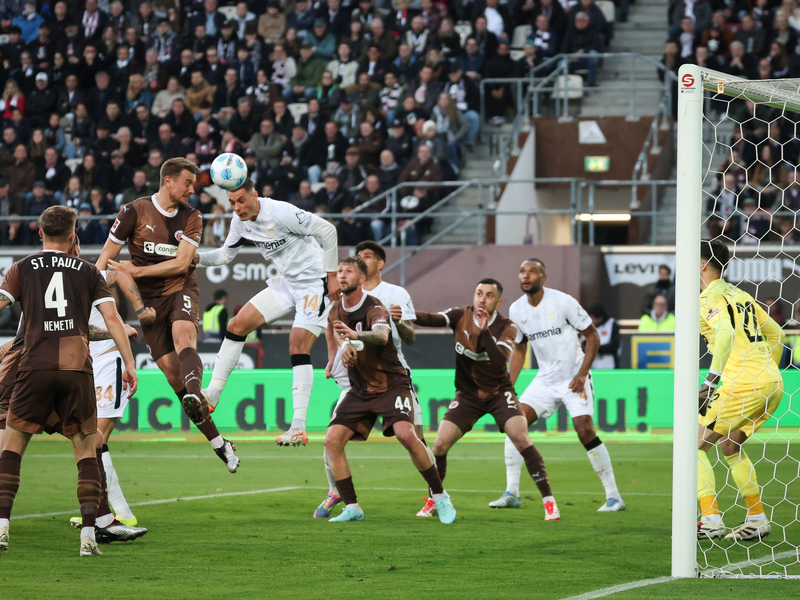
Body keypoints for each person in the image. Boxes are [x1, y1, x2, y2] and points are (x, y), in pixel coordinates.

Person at [0, 205, 136, 556]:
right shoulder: (89, 271)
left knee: (12, 448)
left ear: (40, 233)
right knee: (85, 450)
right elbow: (114, 319)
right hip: (76, 370)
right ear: (74, 236)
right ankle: (89, 536)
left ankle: (1, 528)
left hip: (34, 368)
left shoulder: (21, 267)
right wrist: (131, 365)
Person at [97, 157, 239, 473]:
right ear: (168, 181)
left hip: (180, 289)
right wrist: (92, 293)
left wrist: (137, 269)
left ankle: (194, 393)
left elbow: (181, 263)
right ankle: (220, 444)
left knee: (183, 335)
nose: (193, 189)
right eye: (188, 182)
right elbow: (106, 259)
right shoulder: (133, 211)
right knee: (173, 375)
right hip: (147, 304)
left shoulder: (192, 216)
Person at [197, 179, 339, 447]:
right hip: (287, 284)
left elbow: (328, 230)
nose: (236, 208)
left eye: (241, 201)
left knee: (297, 344)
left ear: (255, 195)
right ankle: (213, 394)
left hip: (315, 283)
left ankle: (298, 426)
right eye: (231, 203)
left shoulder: (281, 212)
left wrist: (332, 276)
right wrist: (194, 258)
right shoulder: (240, 222)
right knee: (237, 325)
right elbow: (225, 256)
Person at [322, 256, 455, 524]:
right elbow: (332, 328)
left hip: (390, 384)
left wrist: (355, 337)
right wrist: (336, 352)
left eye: (348, 271)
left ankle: (440, 497)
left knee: (406, 435)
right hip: (359, 387)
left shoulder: (374, 306)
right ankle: (352, 507)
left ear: (361, 279)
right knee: (331, 440)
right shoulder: (335, 308)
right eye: (339, 272)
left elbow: (382, 336)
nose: (342, 276)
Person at [415, 278, 560, 521]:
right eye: (479, 293)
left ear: (498, 301)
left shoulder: (507, 327)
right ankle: (436, 498)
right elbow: (431, 318)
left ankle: (549, 502)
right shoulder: (460, 315)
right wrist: (404, 313)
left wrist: (483, 334)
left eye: (489, 295)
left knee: (521, 438)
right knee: (439, 445)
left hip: (498, 394)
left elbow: (498, 359)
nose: (483, 299)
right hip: (468, 395)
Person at [488, 259, 624, 512]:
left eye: (532, 271)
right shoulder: (518, 310)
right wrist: (508, 385)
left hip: (574, 376)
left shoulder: (563, 301)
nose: (526, 276)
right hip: (545, 379)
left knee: (584, 430)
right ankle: (512, 492)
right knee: (514, 423)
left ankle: (614, 496)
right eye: (522, 272)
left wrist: (583, 374)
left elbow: (592, 336)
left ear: (544, 277)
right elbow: (519, 348)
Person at [697, 240, 783, 542]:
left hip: (743, 383)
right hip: (772, 381)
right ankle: (756, 517)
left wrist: (710, 380)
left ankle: (710, 519)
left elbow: (724, 331)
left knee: (691, 446)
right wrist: (764, 370)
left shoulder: (709, 296)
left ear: (702, 265)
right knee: (731, 446)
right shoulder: (741, 294)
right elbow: (777, 333)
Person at [588, 304, 619, 369]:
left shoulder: (611, 324)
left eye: (594, 318)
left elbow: (615, 345)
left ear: (600, 318)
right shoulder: (590, 327)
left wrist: (598, 348)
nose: (592, 320)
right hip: (594, 365)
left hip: (609, 364)